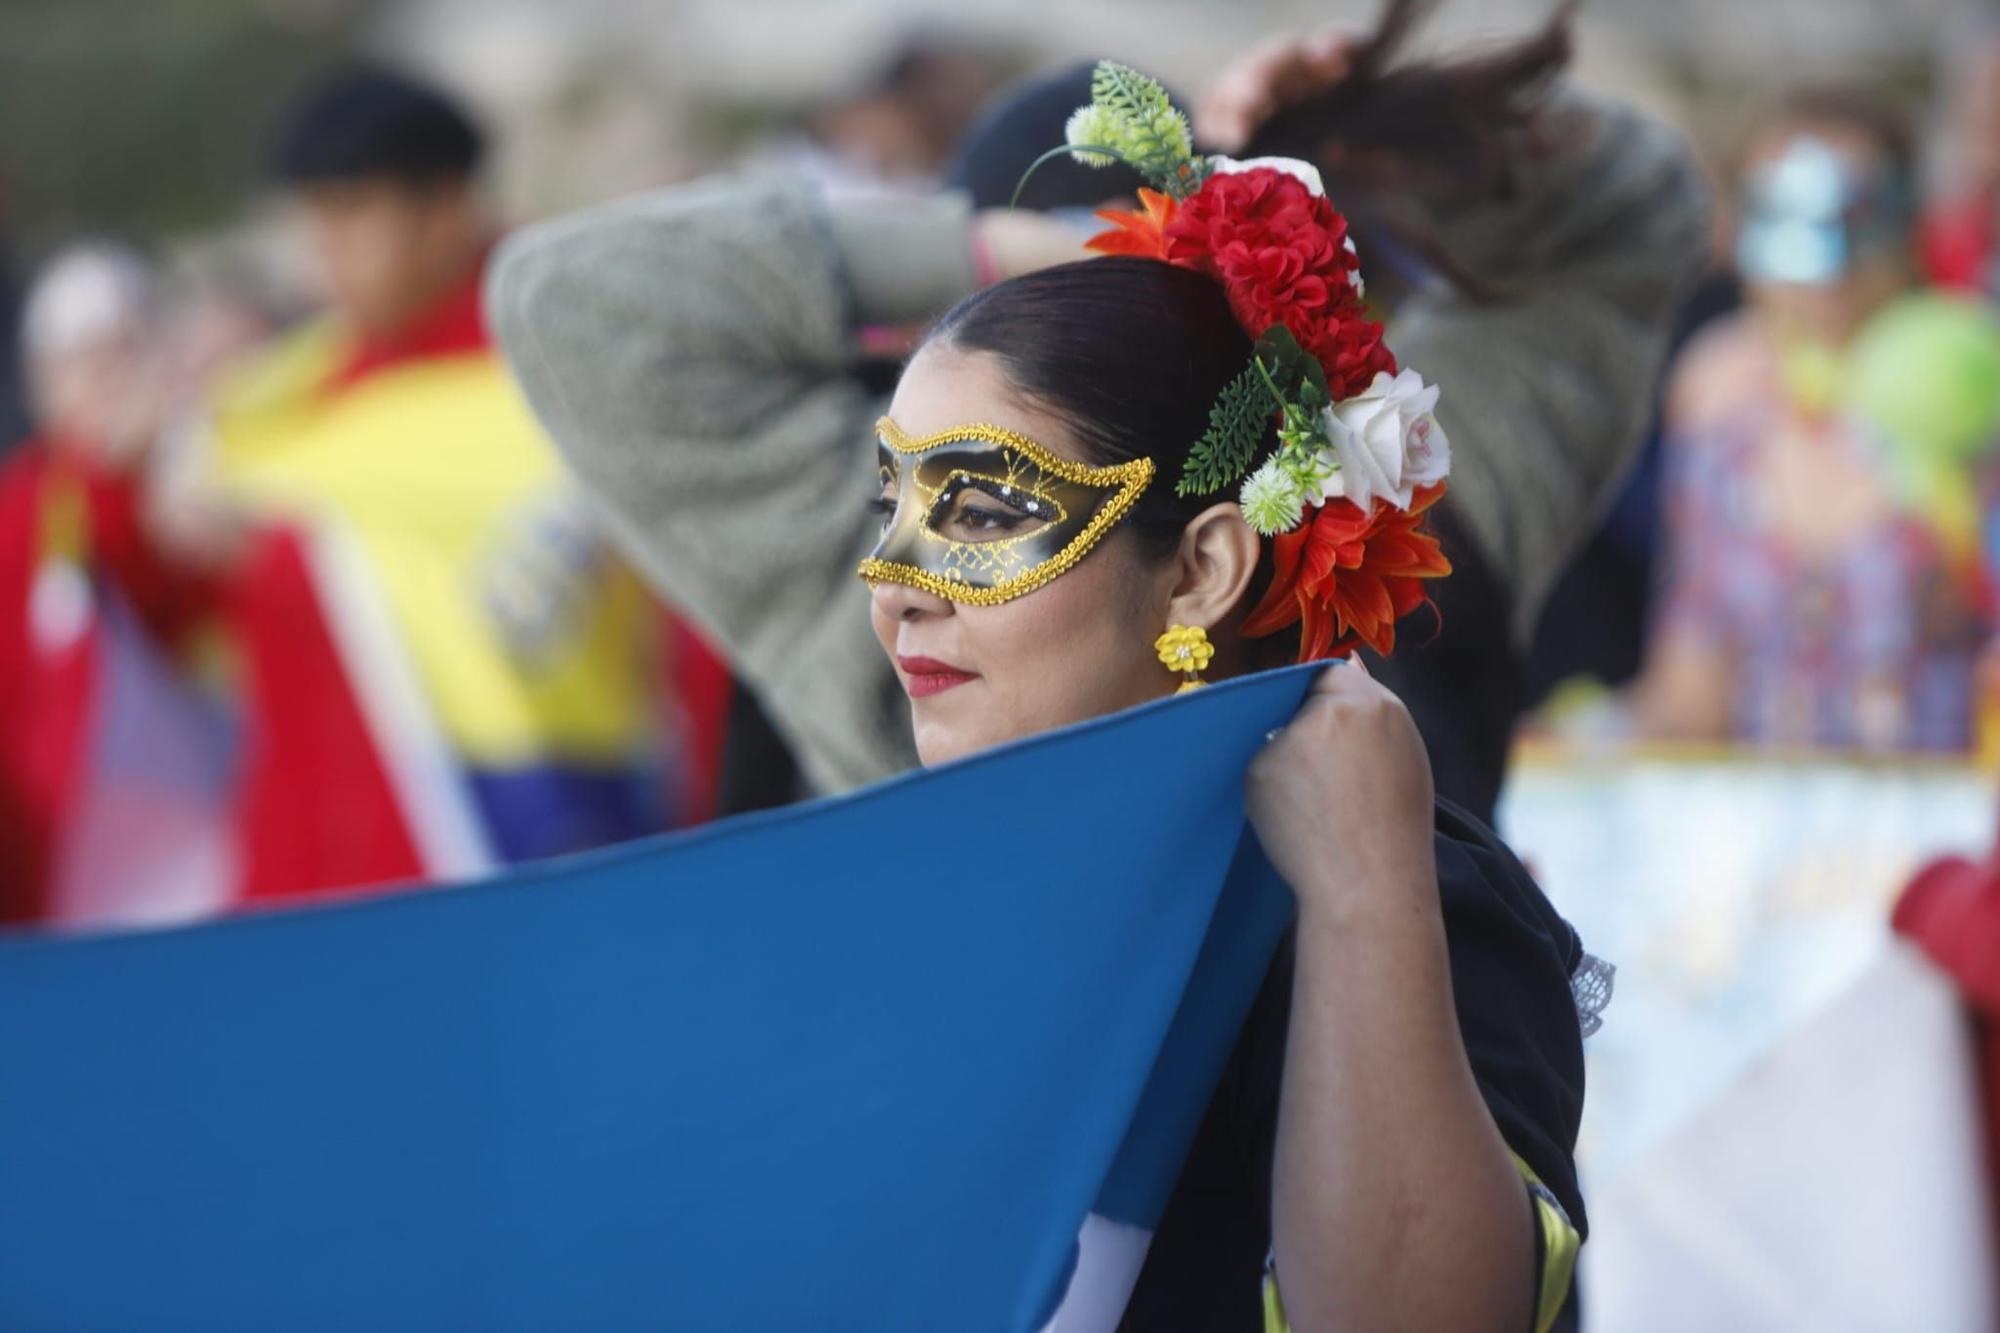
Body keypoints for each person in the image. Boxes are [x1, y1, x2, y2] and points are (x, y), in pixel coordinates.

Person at [496, 61, 1594, 1333]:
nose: (892, 582)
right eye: (887, 507)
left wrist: (1362, 899)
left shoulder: (1402, 900)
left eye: (979, 511)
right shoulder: (898, 883)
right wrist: (1082, 252)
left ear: (1199, 567)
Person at [177, 64, 687, 894]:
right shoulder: (265, 398)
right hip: (307, 869)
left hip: (530, 834)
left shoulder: (574, 377)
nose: (326, 250)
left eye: (352, 212)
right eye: (313, 219)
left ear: (448, 208)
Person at [1637, 89, 1995, 752]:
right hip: (1770, 835)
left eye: (1861, 216)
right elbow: (1693, 660)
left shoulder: (1970, 396)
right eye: (1785, 215)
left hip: (1947, 830)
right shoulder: (1720, 411)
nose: (1827, 272)